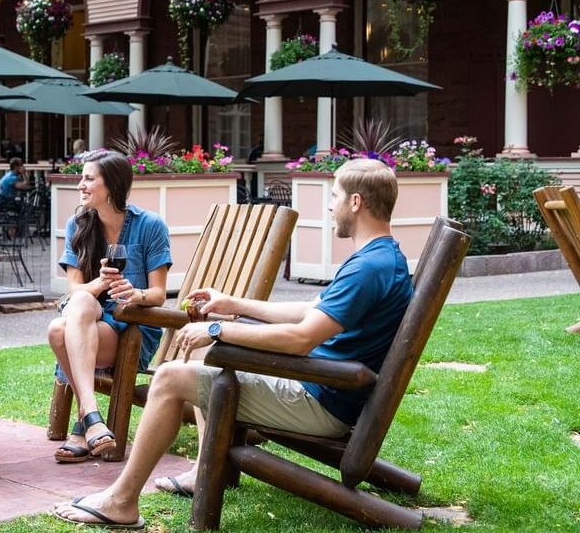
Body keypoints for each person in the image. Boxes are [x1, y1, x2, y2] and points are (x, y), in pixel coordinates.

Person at [52, 158, 413, 528]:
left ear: (355, 202)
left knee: (170, 378)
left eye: (334, 196)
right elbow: (312, 309)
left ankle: (121, 501)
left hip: (319, 400)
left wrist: (217, 330)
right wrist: (233, 304)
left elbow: (301, 337)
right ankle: (201, 473)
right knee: (205, 357)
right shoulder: (381, 259)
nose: (330, 205)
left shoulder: (368, 268)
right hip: (326, 389)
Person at [46, 150, 172, 464]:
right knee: (76, 309)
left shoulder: (150, 226)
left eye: (89, 178)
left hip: (132, 331)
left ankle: (83, 422)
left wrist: (136, 293)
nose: (80, 185)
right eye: (81, 178)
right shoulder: (77, 225)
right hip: (88, 323)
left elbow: (158, 294)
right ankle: (92, 419)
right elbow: (75, 291)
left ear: (112, 185)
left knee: (58, 330)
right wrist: (101, 283)